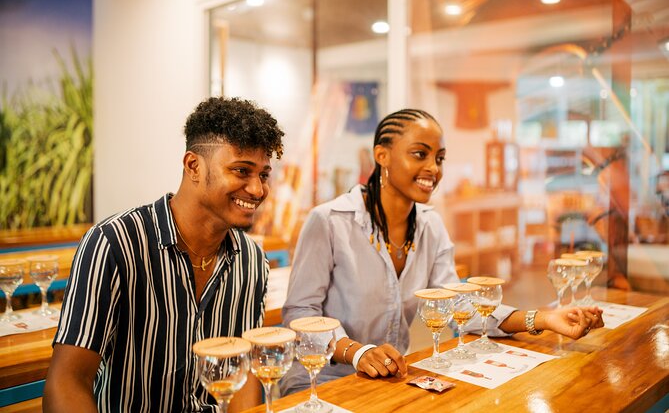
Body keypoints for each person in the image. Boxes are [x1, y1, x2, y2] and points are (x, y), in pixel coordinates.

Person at [280, 108, 604, 395]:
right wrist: (358, 352)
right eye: (419, 154)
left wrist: (544, 319)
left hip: (388, 379)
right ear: (382, 155)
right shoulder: (329, 221)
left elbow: (459, 306)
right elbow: (300, 313)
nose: (433, 168)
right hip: (320, 382)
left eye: (439, 158)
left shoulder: (430, 224)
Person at [43, 97, 285, 412]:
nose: (257, 190)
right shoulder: (114, 243)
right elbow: (67, 381)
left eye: (263, 175)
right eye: (242, 171)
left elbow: (243, 370)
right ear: (193, 166)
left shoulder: (251, 260)